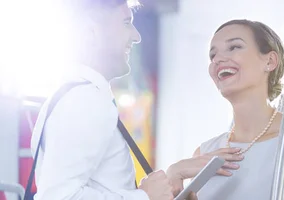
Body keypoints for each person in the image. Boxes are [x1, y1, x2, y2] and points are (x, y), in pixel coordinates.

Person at [165, 19, 284, 200]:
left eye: (234, 47)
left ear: (270, 61)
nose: (218, 59)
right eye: (213, 55)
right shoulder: (204, 152)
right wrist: (173, 174)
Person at [29, 0, 175, 199]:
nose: (137, 36)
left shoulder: (72, 96)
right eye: (126, 22)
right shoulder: (85, 101)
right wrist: (144, 197)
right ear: (91, 31)